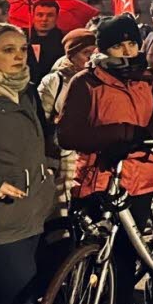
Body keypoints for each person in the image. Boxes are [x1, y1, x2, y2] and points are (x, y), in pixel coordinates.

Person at [58, 14, 153, 304]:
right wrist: (120, 134)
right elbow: (68, 134)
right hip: (96, 178)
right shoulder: (85, 81)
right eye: (118, 45)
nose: (126, 50)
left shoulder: (151, 79)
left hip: (140, 179)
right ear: (103, 48)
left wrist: (145, 138)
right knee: (90, 252)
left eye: (132, 43)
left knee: (125, 256)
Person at [0, 23, 56, 304]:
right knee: (20, 301)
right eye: (8, 50)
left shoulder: (26, 91)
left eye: (22, 49)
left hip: (31, 215)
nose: (19, 56)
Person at [38, 28, 96, 208]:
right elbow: (41, 122)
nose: (91, 58)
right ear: (71, 55)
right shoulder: (54, 81)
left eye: (95, 52)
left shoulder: (99, 78)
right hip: (65, 155)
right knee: (62, 202)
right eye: (86, 53)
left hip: (94, 153)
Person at [28, 0, 65, 86]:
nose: (44, 19)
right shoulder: (23, 38)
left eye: (50, 15)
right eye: (40, 15)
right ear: (33, 16)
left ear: (56, 17)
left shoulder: (63, 41)